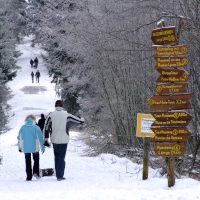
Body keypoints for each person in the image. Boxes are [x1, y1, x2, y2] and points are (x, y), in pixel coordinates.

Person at [44, 100, 85, 181]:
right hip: (64, 139)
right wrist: (82, 118)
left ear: (55, 106)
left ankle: (58, 174)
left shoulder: (51, 115)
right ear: (62, 106)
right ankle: (60, 175)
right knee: (62, 158)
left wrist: (46, 139)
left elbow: (46, 127)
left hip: (54, 139)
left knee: (56, 157)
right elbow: (80, 121)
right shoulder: (67, 115)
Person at [17, 114, 45, 181]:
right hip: (35, 147)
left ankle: (29, 176)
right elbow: (40, 138)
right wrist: (42, 147)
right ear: (34, 120)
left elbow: (19, 138)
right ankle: (35, 172)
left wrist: (19, 147)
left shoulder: (22, 128)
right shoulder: (36, 127)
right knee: (36, 159)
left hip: (26, 148)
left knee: (27, 161)